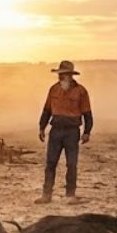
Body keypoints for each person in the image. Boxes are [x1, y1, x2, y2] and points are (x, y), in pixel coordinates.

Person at [36, 60, 92, 204]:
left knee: (71, 164)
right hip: (55, 131)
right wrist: (42, 127)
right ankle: (46, 194)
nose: (61, 77)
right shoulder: (53, 89)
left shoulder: (81, 91)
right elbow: (47, 110)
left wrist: (87, 131)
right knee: (50, 163)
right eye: (60, 74)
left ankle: (70, 195)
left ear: (70, 75)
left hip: (72, 132)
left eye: (64, 74)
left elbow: (87, 113)